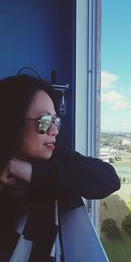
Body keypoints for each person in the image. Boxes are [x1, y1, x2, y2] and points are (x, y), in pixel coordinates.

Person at [0, 74, 120, 262]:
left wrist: (33, 173)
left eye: (55, 121)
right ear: (10, 122)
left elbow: (108, 178)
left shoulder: (52, 156)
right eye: (44, 121)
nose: (54, 130)